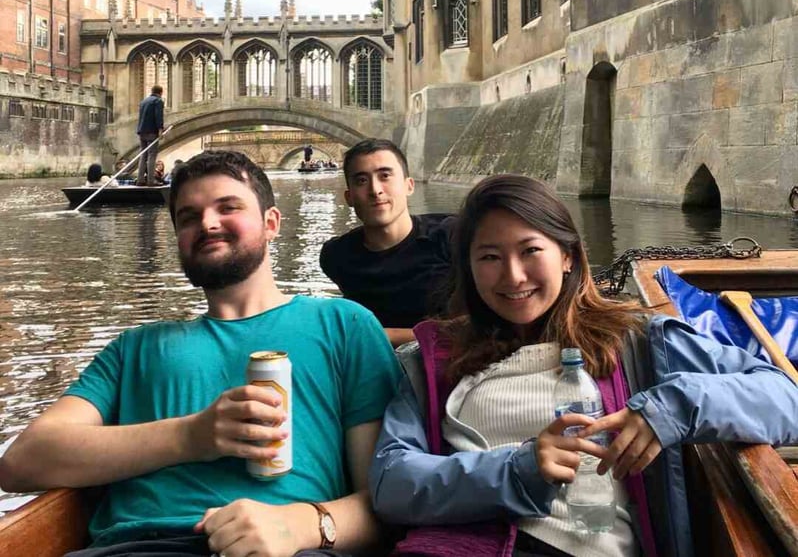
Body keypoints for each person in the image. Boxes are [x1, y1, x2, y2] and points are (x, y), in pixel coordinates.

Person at [368, 174, 798, 557]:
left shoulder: (636, 342)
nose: (513, 276)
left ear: (568, 255)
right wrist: (518, 470)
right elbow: (391, 482)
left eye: (530, 250)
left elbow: (786, 396)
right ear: (470, 268)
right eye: (490, 257)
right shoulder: (433, 359)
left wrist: (671, 408)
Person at [0, 150, 402, 557]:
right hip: (128, 549)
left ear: (271, 224)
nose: (207, 224)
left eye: (228, 208)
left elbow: (388, 502)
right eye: (189, 217)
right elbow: (22, 463)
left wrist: (299, 525)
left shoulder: (344, 325)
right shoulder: (134, 347)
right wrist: (193, 436)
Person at [320, 139, 454, 347]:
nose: (375, 190)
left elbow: (479, 326)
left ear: (409, 186)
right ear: (349, 197)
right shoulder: (336, 256)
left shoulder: (451, 236)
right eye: (362, 181)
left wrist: (381, 335)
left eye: (385, 176)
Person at [136, 84, 165, 187]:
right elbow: (158, 116)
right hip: (152, 131)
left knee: (143, 155)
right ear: (160, 92)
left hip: (141, 131)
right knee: (152, 155)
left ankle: (140, 180)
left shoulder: (143, 101)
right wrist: (160, 129)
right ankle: (150, 181)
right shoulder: (158, 101)